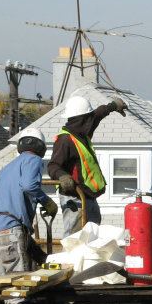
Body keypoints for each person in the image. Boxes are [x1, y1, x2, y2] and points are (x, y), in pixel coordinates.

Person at [0, 128, 58, 304]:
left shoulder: (7, 167)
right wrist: (46, 201)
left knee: (4, 289)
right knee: (18, 290)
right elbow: (29, 185)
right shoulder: (32, 160)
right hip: (10, 229)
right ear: (40, 147)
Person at [47, 95, 127, 236]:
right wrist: (63, 176)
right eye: (88, 117)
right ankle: (71, 259)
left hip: (88, 195)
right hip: (74, 197)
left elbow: (97, 115)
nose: (91, 120)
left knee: (93, 235)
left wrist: (113, 106)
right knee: (75, 236)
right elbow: (53, 165)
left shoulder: (82, 132)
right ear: (82, 119)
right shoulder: (65, 140)